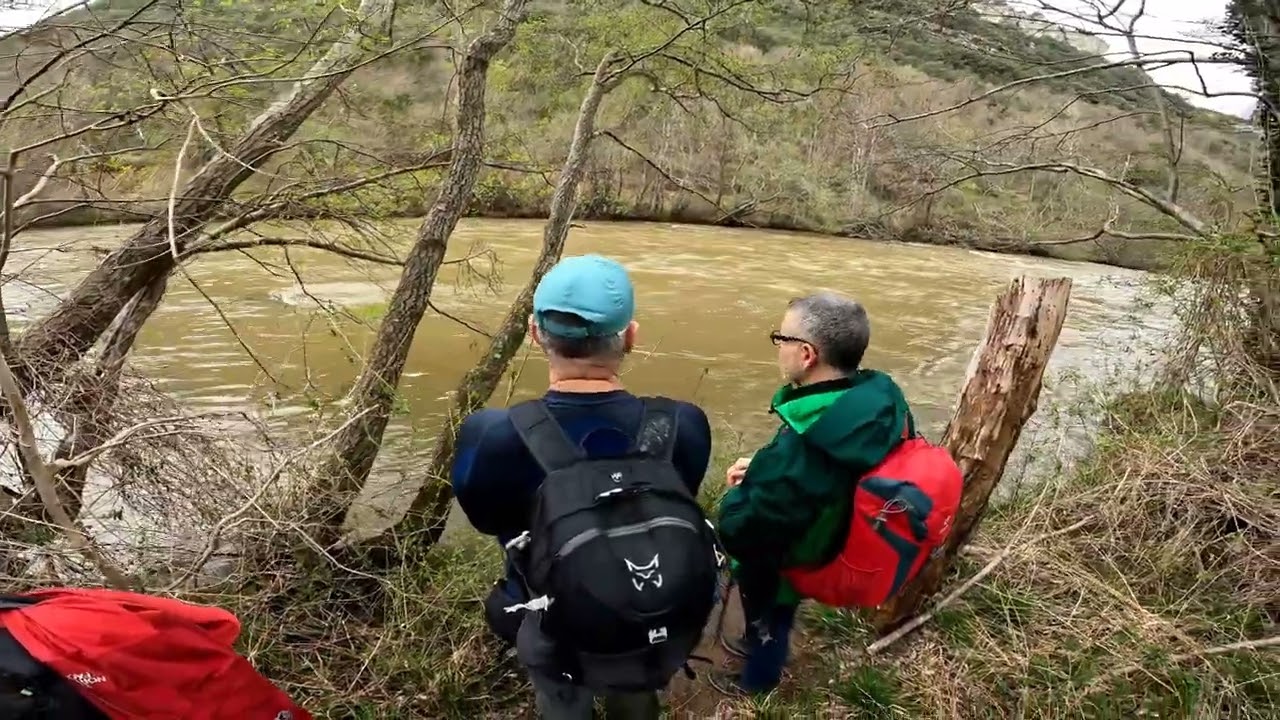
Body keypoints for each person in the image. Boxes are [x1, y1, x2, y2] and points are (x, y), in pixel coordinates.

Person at [451, 254, 714, 720]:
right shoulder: (682, 424)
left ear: (534, 332)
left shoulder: (493, 434)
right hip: (654, 611)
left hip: (553, 620)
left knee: (561, 700)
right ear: (631, 336)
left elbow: (486, 518)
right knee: (637, 690)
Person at [711, 292, 915, 696]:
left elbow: (742, 528)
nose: (778, 347)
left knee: (770, 617)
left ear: (806, 354)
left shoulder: (803, 449)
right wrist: (771, 469)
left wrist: (740, 494)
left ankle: (758, 682)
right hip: (833, 535)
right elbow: (822, 468)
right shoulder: (874, 401)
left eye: (780, 338)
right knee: (780, 612)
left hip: (790, 557)